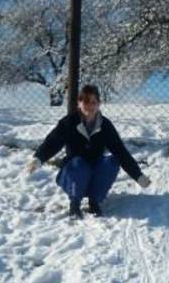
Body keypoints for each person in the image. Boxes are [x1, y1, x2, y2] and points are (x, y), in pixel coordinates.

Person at [26, 84, 151, 218]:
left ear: (99, 104)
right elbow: (53, 142)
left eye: (93, 102)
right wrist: (38, 158)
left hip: (95, 173)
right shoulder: (69, 122)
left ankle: (94, 202)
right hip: (73, 174)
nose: (90, 106)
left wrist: (138, 175)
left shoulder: (105, 125)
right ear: (79, 102)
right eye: (86, 102)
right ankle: (74, 204)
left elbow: (120, 151)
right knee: (79, 164)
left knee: (111, 162)